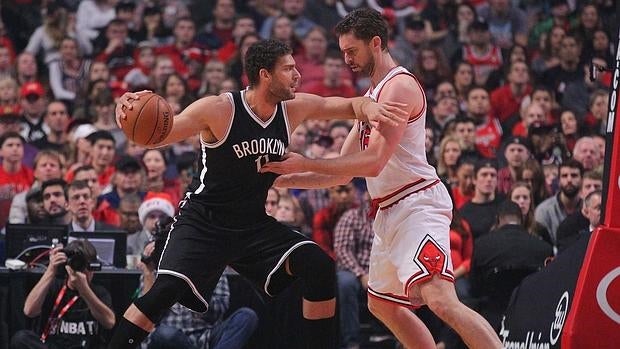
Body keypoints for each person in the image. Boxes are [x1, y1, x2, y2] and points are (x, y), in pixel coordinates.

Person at [108, 38, 405, 349]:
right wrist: (128, 118)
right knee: (164, 290)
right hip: (203, 221)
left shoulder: (293, 109)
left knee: (317, 265)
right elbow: (161, 133)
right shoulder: (219, 109)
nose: (297, 75)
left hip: (252, 224)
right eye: (289, 69)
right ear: (266, 75)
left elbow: (349, 105)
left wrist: (370, 106)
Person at [262, 8, 502, 348]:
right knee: (382, 304)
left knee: (441, 300)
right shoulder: (370, 99)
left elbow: (372, 163)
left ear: (375, 43)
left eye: (352, 51)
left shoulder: (399, 87)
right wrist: (284, 180)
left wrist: (303, 162)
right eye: (343, 52)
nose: (346, 59)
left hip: (417, 203)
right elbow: (344, 169)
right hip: (388, 208)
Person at [10, 239, 115, 349]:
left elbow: (109, 322)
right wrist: (51, 269)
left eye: (87, 266)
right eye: (78, 264)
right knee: (20, 338)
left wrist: (84, 290)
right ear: (68, 265)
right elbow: (29, 311)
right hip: (53, 346)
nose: (83, 271)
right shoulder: (54, 287)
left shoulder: (99, 292)